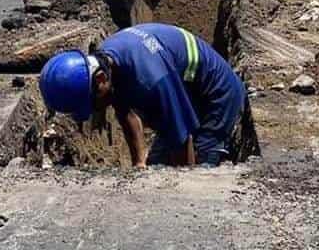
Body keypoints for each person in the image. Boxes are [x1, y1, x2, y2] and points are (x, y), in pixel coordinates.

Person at [39, 23, 248, 168]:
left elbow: (182, 142)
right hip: (187, 91)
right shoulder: (109, 62)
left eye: (93, 102)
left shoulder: (152, 81)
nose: (96, 109)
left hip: (217, 97)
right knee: (156, 166)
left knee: (199, 164)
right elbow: (124, 110)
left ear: (101, 79)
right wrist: (139, 162)